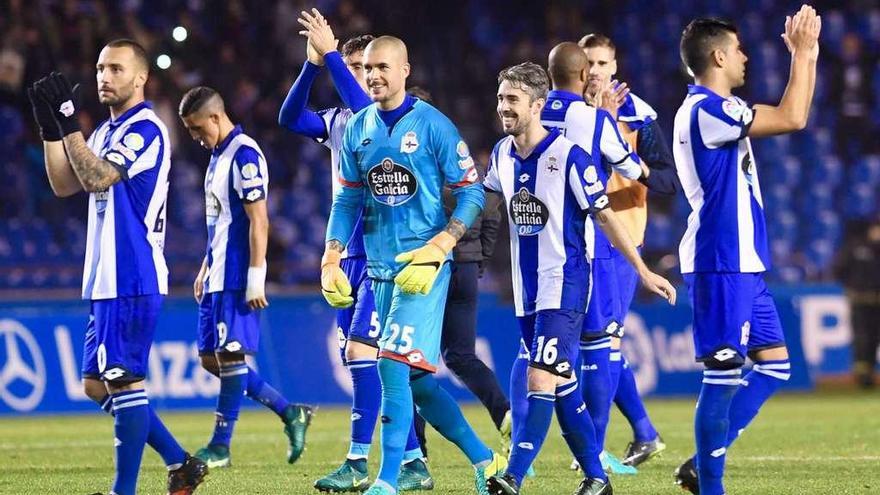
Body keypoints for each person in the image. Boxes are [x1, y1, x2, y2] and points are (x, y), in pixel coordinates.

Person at [321, 35, 506, 495]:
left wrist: (444, 241)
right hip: (379, 272)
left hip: (422, 272)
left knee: (388, 367)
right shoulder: (359, 127)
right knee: (421, 385)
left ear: (405, 70)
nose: (373, 76)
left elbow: (472, 191)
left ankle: (386, 480)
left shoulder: (434, 127)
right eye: (366, 69)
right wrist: (331, 252)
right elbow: (347, 198)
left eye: (383, 66)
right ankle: (487, 460)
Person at [484, 62, 676, 495]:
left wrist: (642, 270)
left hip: (566, 282)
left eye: (512, 99)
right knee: (564, 383)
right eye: (500, 98)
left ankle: (512, 477)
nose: (503, 107)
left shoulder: (569, 155)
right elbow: (486, 201)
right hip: (526, 289)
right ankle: (597, 477)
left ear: (538, 105)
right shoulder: (501, 154)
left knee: (540, 377)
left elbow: (605, 216)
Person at [28, 39, 207, 495]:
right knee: (96, 385)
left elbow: (97, 177)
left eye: (115, 69)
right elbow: (66, 184)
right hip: (105, 276)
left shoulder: (145, 127)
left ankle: (122, 491)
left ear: (140, 78)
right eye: (100, 68)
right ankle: (180, 463)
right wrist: (52, 128)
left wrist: (70, 123)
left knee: (122, 381)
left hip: (131, 272)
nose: (104, 77)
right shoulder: (107, 132)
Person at [278, 9, 431, 492]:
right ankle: (413, 463)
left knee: (369, 354)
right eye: (353, 68)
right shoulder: (341, 121)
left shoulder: (389, 119)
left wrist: (329, 55)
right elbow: (289, 118)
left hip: (386, 248)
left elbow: (366, 108)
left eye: (366, 69)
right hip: (347, 253)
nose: (362, 78)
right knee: (361, 356)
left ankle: (359, 460)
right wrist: (311, 66)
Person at [672, 8, 820, 495]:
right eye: (738, 50)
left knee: (774, 362)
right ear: (718, 56)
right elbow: (794, 116)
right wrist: (804, 53)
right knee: (723, 372)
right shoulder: (706, 109)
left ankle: (699, 465)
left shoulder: (717, 110)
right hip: (721, 261)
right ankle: (710, 486)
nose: (745, 58)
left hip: (742, 263)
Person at [178, 86, 313, 468]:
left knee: (232, 357)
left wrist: (257, 275)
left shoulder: (244, 155)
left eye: (197, 128)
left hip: (238, 273)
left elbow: (259, 220)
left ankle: (220, 445)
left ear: (217, 118)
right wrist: (206, 265)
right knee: (211, 359)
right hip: (217, 271)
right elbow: (221, 220)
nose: (195, 137)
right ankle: (290, 413)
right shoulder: (216, 157)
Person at [538, 40, 645, 475]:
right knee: (599, 344)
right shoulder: (594, 119)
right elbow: (633, 169)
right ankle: (594, 450)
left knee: (536, 351)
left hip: (536, 245)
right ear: (583, 76)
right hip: (586, 243)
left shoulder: (530, 109)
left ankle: (517, 450)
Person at [577, 33, 680, 467]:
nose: (597, 71)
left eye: (603, 63)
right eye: (589, 64)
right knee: (594, 345)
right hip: (576, 241)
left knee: (604, 343)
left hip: (619, 242)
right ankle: (643, 434)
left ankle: (596, 450)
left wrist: (630, 164)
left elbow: (668, 180)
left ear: (615, 66)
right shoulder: (566, 112)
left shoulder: (638, 116)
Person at [407, 86, 514, 458]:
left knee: (409, 359)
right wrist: (480, 257)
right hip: (466, 268)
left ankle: (414, 453)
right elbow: (490, 207)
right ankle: (505, 415)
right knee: (461, 356)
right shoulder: (460, 152)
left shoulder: (415, 156)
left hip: (431, 267)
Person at [832, 218, 880, 388]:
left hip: (877, 301)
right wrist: (851, 287)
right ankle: (862, 377)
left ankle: (870, 373)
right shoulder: (855, 247)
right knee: (862, 338)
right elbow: (838, 269)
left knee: (874, 338)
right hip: (860, 300)